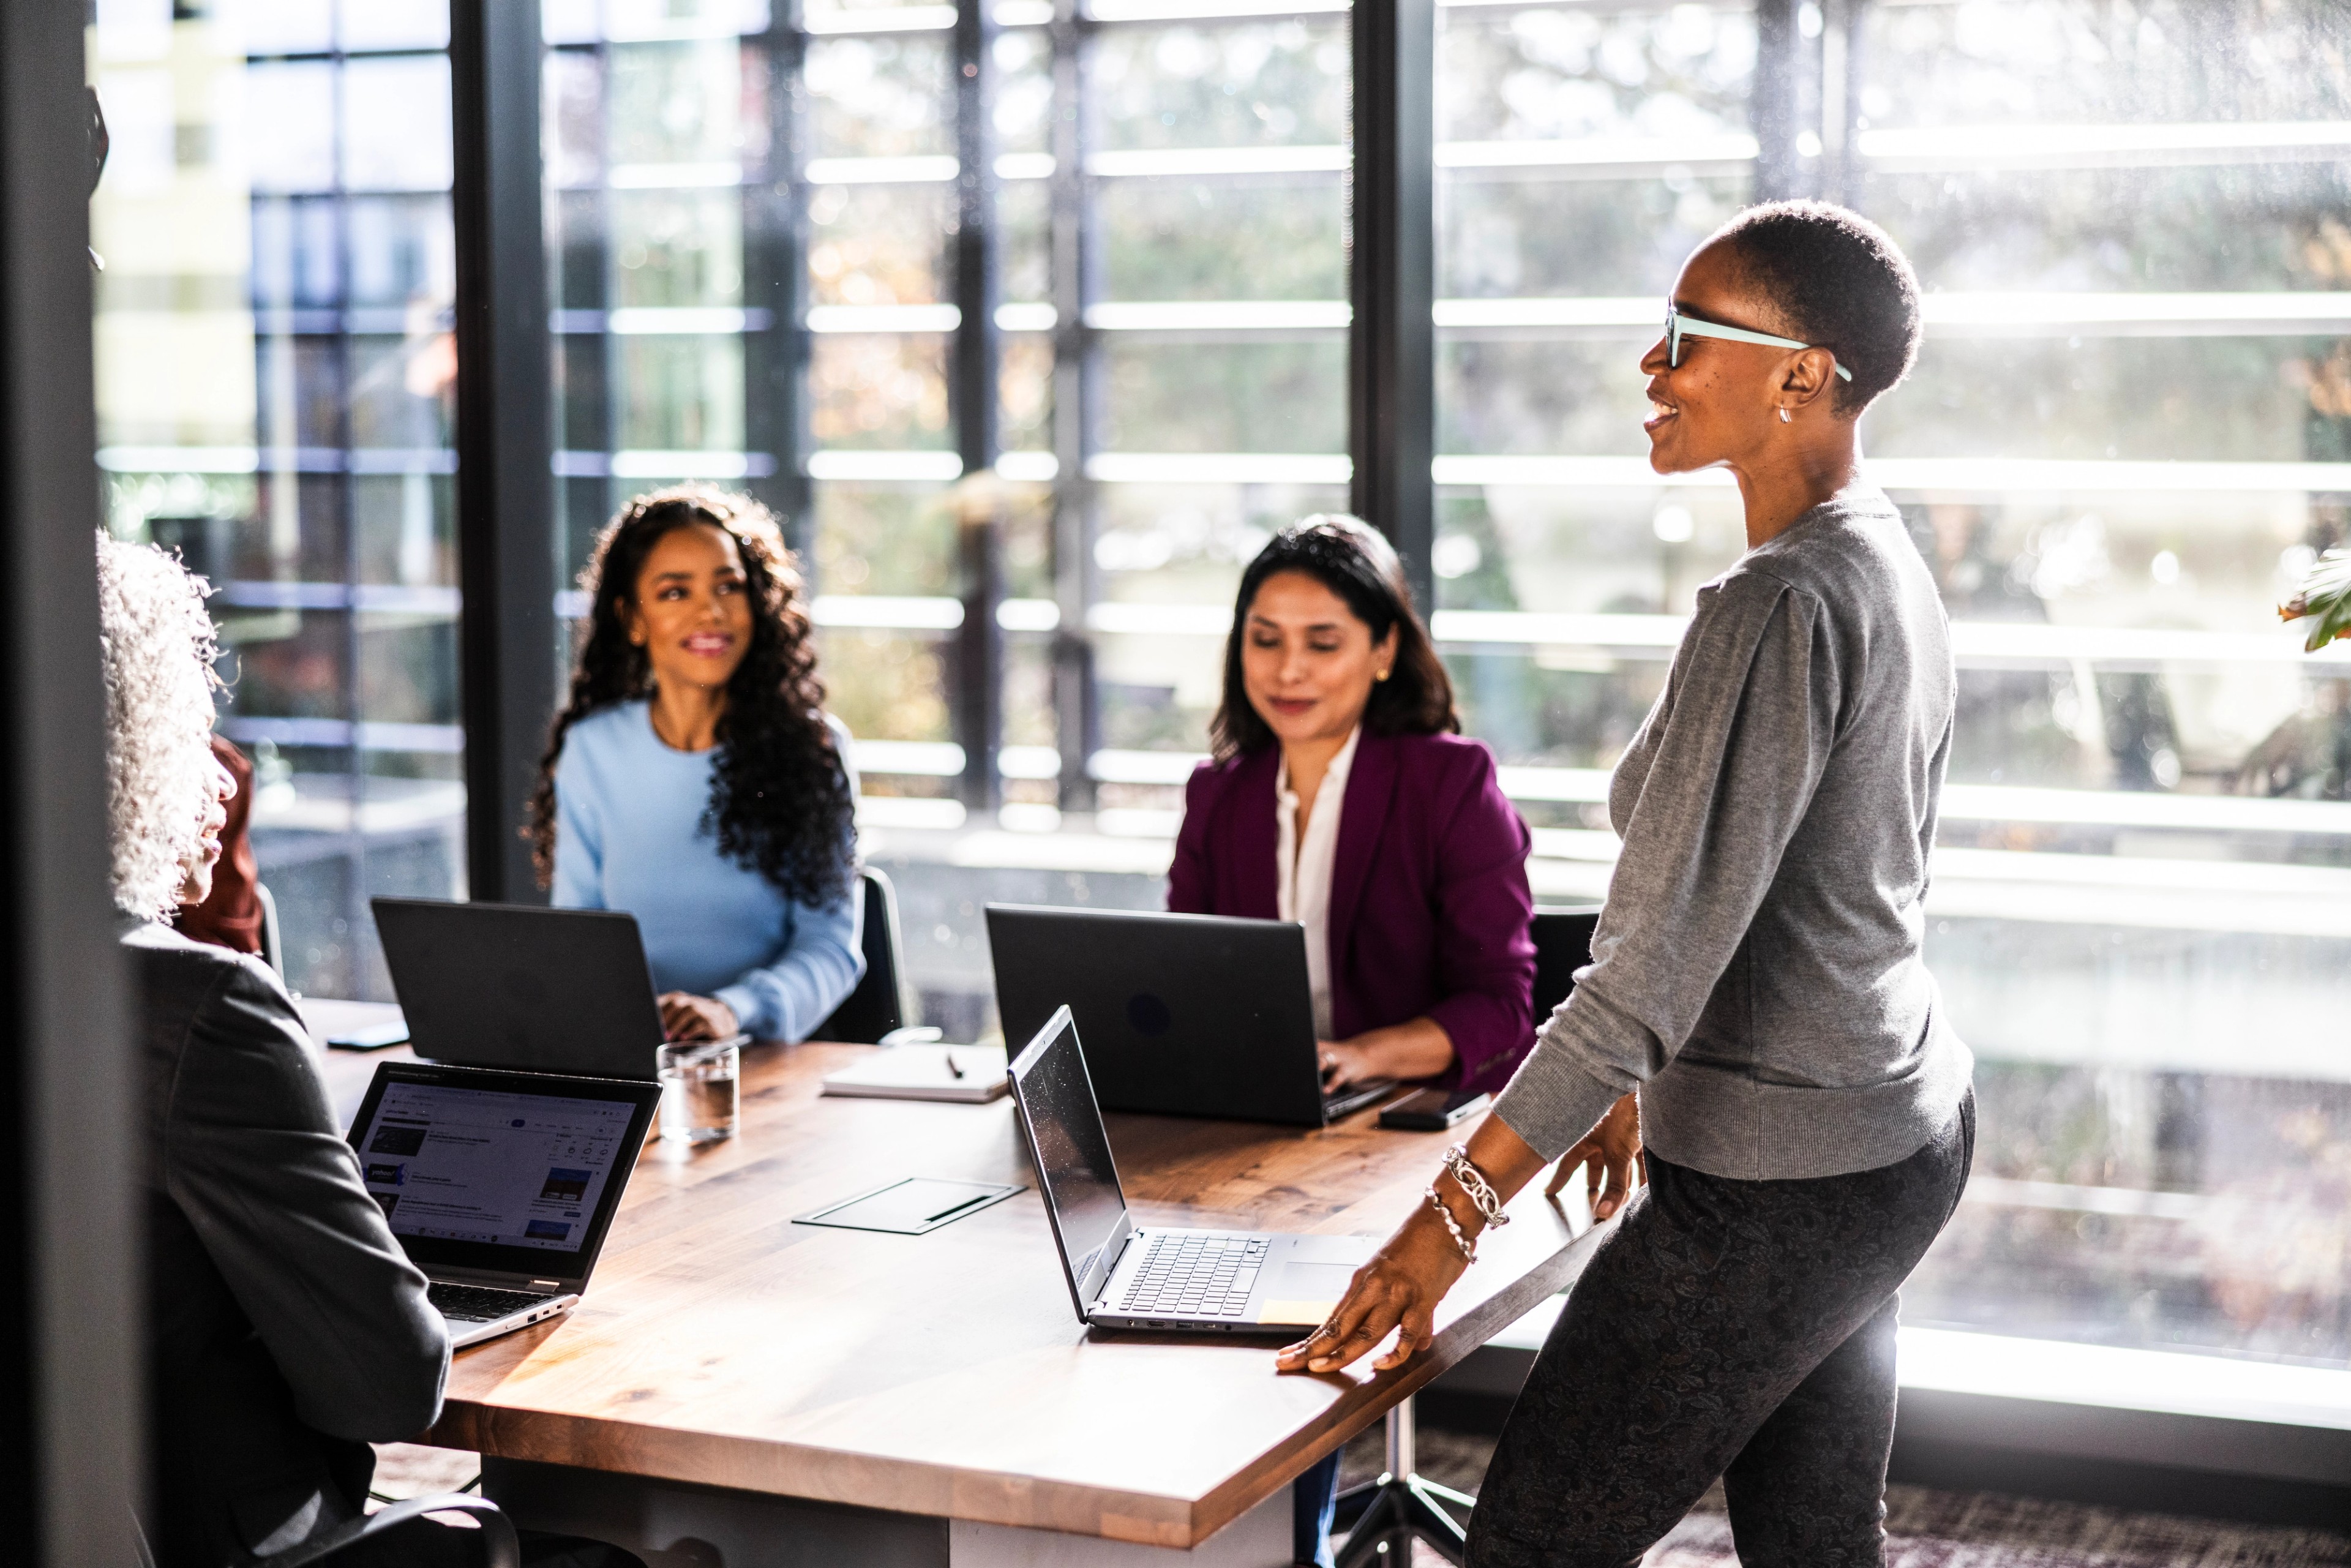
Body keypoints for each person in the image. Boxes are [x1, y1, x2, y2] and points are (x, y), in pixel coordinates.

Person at [1275, 201, 1976, 1568]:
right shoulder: (1879, 560)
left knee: (1533, 1544)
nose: (1650, 366)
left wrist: (1443, 1228)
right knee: (1818, 1535)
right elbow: (1796, 888)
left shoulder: (1779, 605)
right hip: (1894, 1128)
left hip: (1782, 1177)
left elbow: (1645, 973)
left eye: (1684, 335)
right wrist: (1640, 1088)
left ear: (1800, 373)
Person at [105, 536, 642, 1568]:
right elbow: (390, 1386)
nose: (217, 785)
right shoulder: (200, 1011)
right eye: (190, 735)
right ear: (128, 753)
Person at [1167, 515, 1536, 1566]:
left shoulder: (1448, 781)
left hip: (1404, 1141)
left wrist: (1361, 1056)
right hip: (1263, 1132)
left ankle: (1294, 1539)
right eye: (1264, 637)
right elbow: (1179, 979)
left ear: (1384, 651)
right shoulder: (1222, 795)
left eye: (1323, 641)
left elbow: (1504, 1008)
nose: (1287, 669)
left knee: (1268, 1295)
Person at [531, 486, 863, 1045]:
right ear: (633, 619)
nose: (710, 612)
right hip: (636, 1055)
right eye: (675, 592)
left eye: (728, 585)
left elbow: (831, 948)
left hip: (768, 1059)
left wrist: (732, 1010)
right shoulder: (591, 749)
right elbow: (578, 937)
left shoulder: (813, 751)